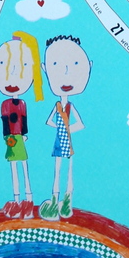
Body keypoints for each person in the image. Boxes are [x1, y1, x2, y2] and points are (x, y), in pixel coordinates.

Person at [0, 31, 44, 219]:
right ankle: (17, 199)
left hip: (20, 137)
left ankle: (28, 199)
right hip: (11, 139)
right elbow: (5, 121)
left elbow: (24, 120)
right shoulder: (5, 104)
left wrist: (24, 134)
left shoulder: (22, 103)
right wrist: (7, 137)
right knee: (14, 167)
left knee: (23, 167)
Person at [38, 35, 92, 220]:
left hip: (67, 142)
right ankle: (54, 201)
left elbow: (80, 124)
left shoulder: (69, 106)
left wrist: (67, 131)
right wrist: (60, 128)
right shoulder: (58, 106)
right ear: (45, 69)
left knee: (67, 171)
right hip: (58, 142)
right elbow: (49, 121)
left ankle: (66, 202)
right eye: (56, 65)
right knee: (58, 171)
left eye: (75, 64)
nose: (66, 72)